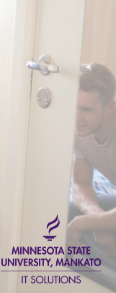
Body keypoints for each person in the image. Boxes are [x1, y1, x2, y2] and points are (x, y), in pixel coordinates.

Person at [67, 63, 116, 255]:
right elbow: (80, 184)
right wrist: (98, 220)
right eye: (74, 106)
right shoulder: (81, 131)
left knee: (78, 222)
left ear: (110, 106)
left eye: (86, 109)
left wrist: (85, 223)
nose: (77, 117)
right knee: (69, 211)